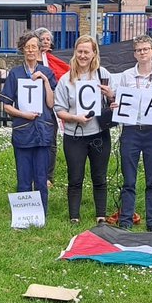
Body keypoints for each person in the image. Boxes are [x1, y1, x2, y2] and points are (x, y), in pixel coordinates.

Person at [113, 34, 152, 232]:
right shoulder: (126, 76)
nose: (142, 53)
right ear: (134, 54)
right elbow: (120, 102)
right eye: (139, 50)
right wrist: (116, 105)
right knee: (129, 179)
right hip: (131, 130)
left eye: (146, 49)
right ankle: (126, 220)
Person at [52, 36, 114, 223]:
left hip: (99, 134)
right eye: (80, 51)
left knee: (99, 175)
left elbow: (116, 102)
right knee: (75, 177)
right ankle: (74, 217)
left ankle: (101, 215)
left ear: (94, 53)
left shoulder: (103, 75)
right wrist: (74, 118)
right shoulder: (65, 79)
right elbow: (59, 109)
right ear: (75, 53)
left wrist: (111, 95)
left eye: (87, 51)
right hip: (74, 135)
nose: (83, 55)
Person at [1, 31, 57, 215]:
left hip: (43, 130)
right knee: (23, 176)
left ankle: (41, 213)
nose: (31, 50)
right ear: (22, 50)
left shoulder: (48, 72)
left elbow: (51, 103)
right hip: (23, 130)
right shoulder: (15, 74)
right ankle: (23, 214)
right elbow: (7, 106)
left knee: (41, 176)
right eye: (28, 47)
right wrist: (23, 114)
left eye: (34, 47)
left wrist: (45, 81)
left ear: (40, 50)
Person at [33, 26, 67, 187]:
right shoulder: (30, 60)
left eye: (48, 39)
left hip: (50, 108)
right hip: (32, 107)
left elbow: (64, 76)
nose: (46, 41)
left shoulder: (53, 61)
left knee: (51, 142)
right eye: (43, 39)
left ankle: (48, 177)